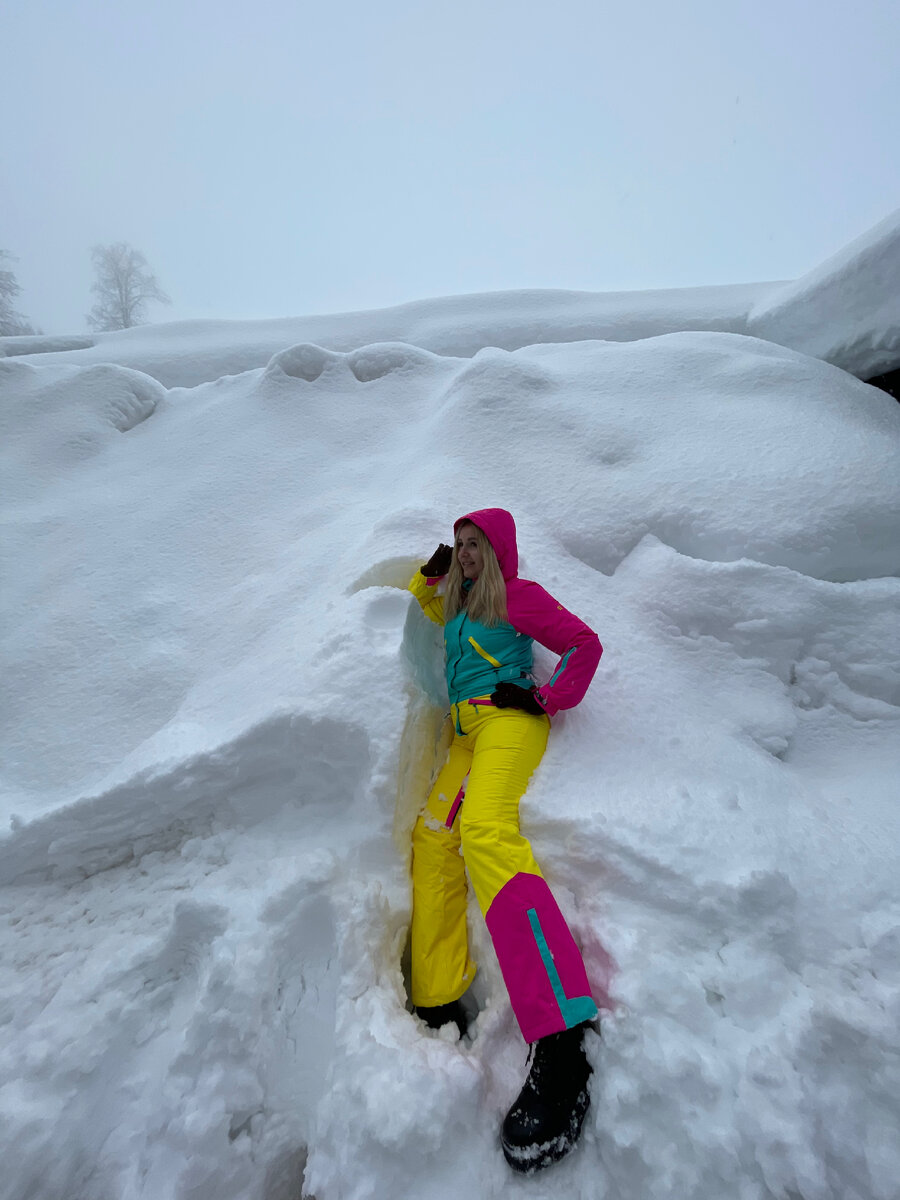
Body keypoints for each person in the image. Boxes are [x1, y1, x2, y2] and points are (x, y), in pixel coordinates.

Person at [407, 507, 603, 1173]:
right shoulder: (458, 605)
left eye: (473, 545)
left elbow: (584, 643)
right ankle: (438, 991)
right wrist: (425, 574)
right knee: (434, 837)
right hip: (465, 735)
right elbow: (420, 605)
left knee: (486, 833)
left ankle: (563, 1032)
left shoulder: (517, 596)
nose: (464, 555)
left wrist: (546, 699)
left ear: (498, 550)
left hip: (507, 724)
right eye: (459, 545)